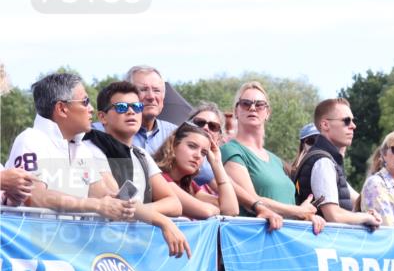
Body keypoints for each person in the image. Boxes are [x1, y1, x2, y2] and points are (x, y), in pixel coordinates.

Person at [3, 72, 132, 220]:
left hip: (68, 241)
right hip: (30, 241)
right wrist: (96, 205)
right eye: (85, 101)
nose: (91, 108)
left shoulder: (82, 149)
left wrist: (118, 202)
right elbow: (34, 197)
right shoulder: (30, 140)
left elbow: (101, 194)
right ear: (62, 108)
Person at [83, 81, 190, 258]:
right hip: (99, 250)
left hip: (136, 252)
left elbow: (174, 204)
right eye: (121, 107)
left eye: (137, 106)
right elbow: (118, 203)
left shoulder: (141, 154)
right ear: (102, 117)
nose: (131, 111)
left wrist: (140, 211)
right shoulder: (90, 149)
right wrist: (161, 220)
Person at [222, 81, 323, 233]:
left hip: (287, 240)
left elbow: (290, 207)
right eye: (245, 103)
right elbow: (251, 199)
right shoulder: (230, 150)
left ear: (267, 112)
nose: (252, 108)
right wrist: (298, 211)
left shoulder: (276, 160)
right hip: (254, 240)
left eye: (260, 104)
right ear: (236, 111)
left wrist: (306, 216)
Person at [292, 98, 379, 229]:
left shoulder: (326, 160)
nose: (353, 126)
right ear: (325, 125)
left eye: (353, 120)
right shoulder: (323, 162)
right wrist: (366, 217)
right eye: (346, 121)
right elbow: (334, 216)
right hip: (323, 244)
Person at [154, 119, 239, 218]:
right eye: (192, 146)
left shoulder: (187, 183)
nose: (198, 155)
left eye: (204, 153)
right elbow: (206, 211)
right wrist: (217, 210)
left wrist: (217, 163)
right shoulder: (158, 176)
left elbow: (231, 210)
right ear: (173, 145)